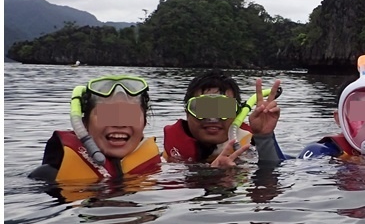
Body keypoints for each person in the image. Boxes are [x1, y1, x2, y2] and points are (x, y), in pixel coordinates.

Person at [30, 75, 162, 183]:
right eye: (107, 114)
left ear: (145, 122)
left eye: (129, 115)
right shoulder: (50, 175)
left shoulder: (162, 169)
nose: (119, 124)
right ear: (84, 124)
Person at [163, 71, 285, 167]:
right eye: (203, 108)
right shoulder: (165, 160)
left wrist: (264, 137)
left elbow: (270, 185)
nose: (212, 118)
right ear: (187, 111)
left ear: (237, 113)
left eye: (224, 108)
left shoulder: (250, 150)